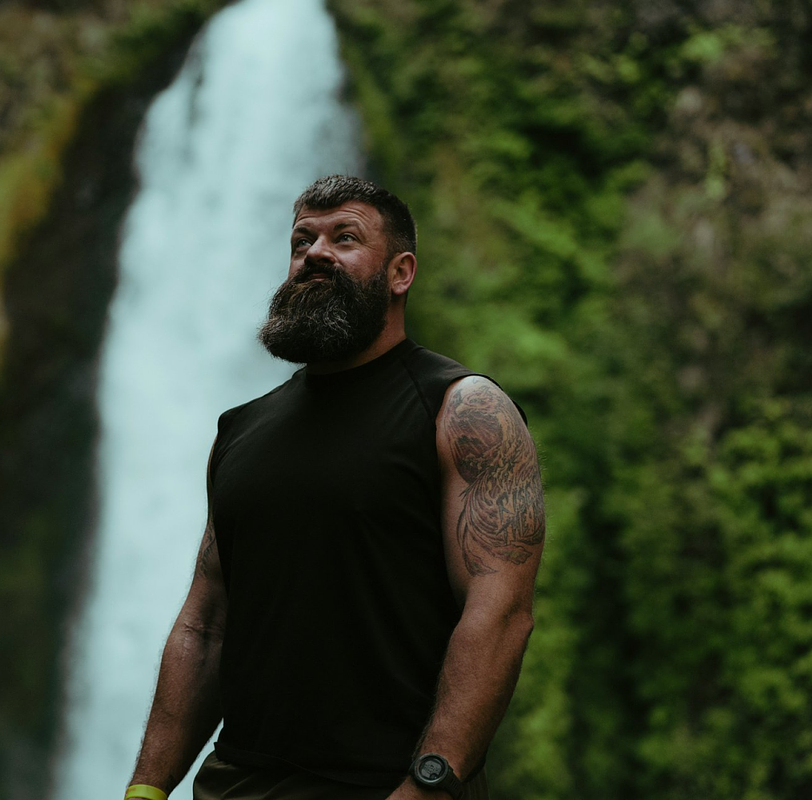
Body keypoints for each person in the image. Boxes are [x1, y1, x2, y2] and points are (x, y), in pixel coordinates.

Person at [123, 176, 545, 800]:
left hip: (385, 785)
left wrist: (430, 783)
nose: (315, 254)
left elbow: (501, 613)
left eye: (345, 238)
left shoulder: (462, 411)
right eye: (302, 241)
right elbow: (207, 623)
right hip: (236, 783)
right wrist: (146, 790)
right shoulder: (239, 431)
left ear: (401, 273)